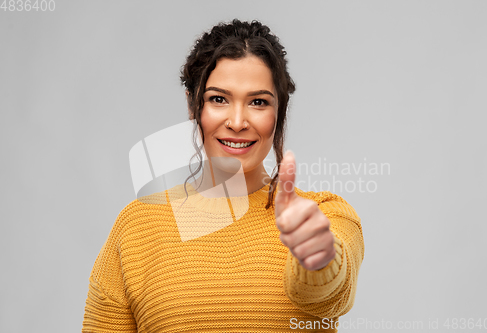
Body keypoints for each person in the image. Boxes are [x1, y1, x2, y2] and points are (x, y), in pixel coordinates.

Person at [82, 19, 364, 332]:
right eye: (218, 99)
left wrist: (318, 258)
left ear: (279, 110)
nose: (238, 121)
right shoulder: (136, 227)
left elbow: (329, 297)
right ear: (193, 104)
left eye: (258, 102)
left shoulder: (326, 214)